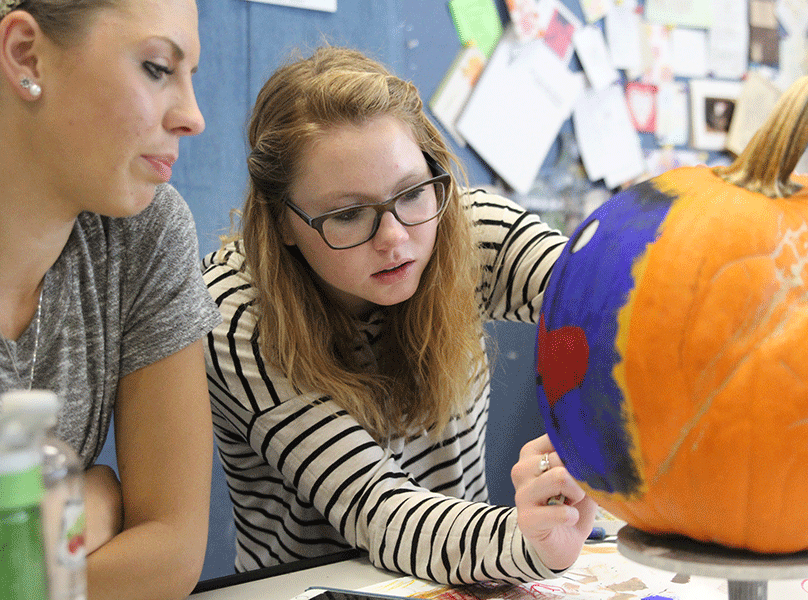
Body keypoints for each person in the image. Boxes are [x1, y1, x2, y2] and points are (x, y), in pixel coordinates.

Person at [203, 46, 597, 584]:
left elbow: (609, 300)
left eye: (410, 192)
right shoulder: (232, 315)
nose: (395, 239)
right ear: (283, 223)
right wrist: (528, 540)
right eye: (347, 214)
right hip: (320, 590)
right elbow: (379, 512)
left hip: (472, 582)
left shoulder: (464, 224)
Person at [0, 1, 220, 599]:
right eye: (156, 68)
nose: (193, 117)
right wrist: (90, 498)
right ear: (26, 53)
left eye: (190, 76)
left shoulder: (144, 229)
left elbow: (172, 550)